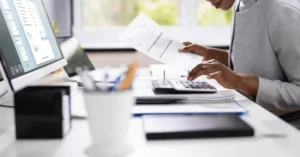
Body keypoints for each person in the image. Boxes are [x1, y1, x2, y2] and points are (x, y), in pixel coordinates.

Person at [179, 0, 300, 127]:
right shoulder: (240, 4)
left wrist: (240, 81)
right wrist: (208, 53)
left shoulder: (283, 11)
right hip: (254, 118)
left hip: (288, 129)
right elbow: (259, 62)